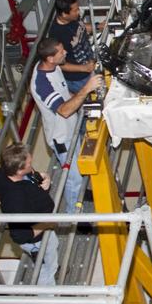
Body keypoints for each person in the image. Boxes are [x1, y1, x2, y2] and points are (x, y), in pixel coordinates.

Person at [30, 38, 100, 211]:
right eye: (61, 52)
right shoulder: (42, 83)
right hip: (62, 138)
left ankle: (82, 194)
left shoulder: (53, 67)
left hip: (71, 128)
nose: (65, 52)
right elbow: (64, 110)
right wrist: (86, 89)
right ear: (50, 58)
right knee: (73, 177)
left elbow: (64, 92)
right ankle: (73, 215)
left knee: (79, 167)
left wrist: (78, 99)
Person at [0, 143, 59, 286]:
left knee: (52, 248)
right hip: (36, 240)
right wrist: (47, 224)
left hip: (42, 227)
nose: (31, 166)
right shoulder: (15, 201)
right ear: (19, 170)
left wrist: (43, 178)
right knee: (44, 269)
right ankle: (48, 298)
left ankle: (52, 267)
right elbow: (19, 235)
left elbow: (31, 176)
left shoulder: (5, 172)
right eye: (29, 164)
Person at [49, 0, 96, 91]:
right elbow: (60, 63)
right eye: (75, 10)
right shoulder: (57, 34)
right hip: (78, 80)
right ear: (64, 14)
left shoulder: (73, 18)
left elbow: (82, 27)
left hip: (90, 67)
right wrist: (84, 68)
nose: (78, 12)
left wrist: (99, 26)